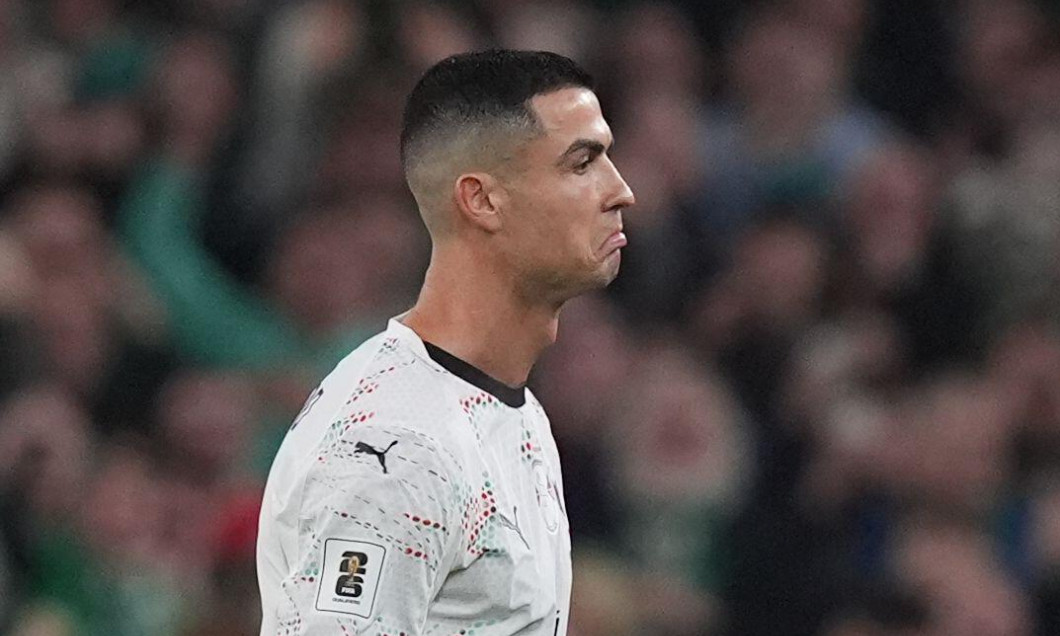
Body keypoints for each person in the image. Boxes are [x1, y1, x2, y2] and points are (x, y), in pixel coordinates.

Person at [256, 49, 635, 635]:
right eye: (582, 163)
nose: (621, 191)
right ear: (481, 200)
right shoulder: (394, 449)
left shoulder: (514, 411)